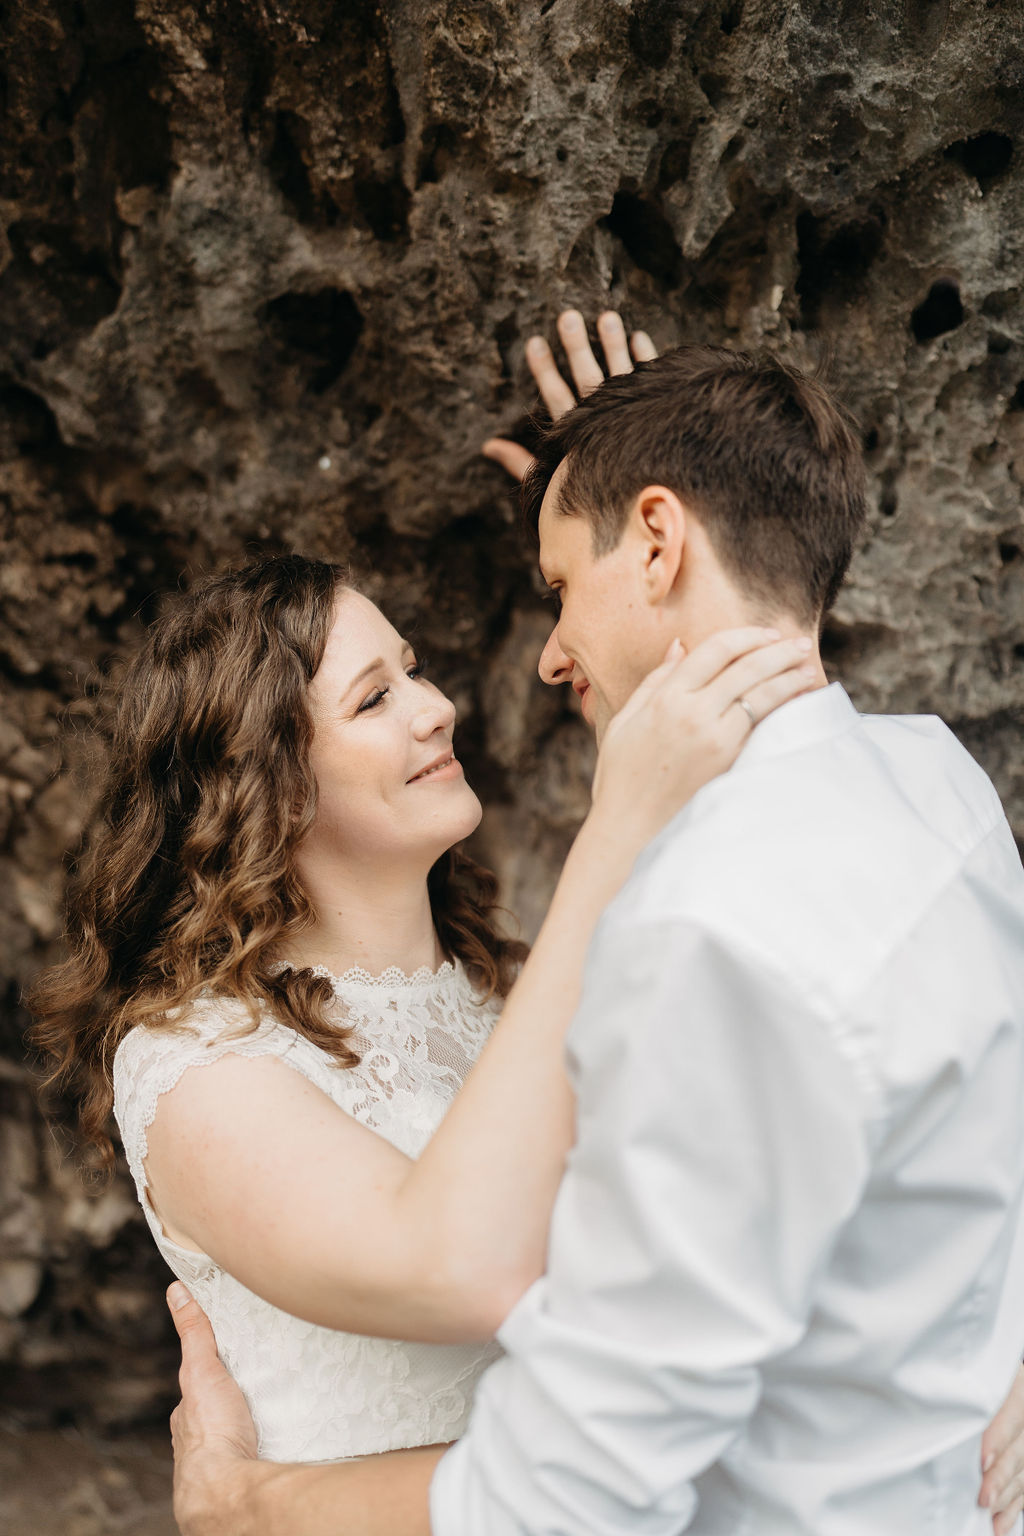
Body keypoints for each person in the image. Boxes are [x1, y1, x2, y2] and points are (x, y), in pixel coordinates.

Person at [163, 321, 1024, 1536]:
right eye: (375, 691)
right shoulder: (937, 786)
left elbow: (569, 1491)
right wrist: (613, 494)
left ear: (661, 539)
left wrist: (250, 1507)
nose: (546, 657)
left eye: (559, 588)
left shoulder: (692, 929)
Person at [28, 538, 813, 1463]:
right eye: (374, 698)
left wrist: (641, 534)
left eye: (415, 672)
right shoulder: (194, 1064)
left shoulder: (505, 991)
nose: (437, 709)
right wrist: (621, 823)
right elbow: (450, 1271)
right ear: (264, 779)